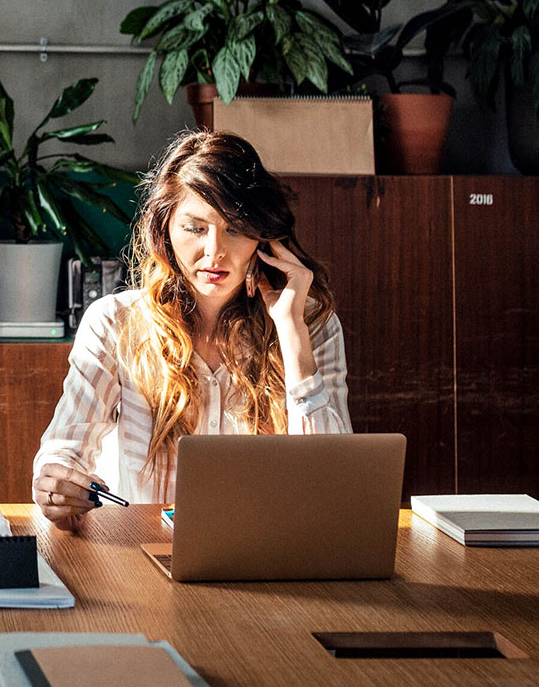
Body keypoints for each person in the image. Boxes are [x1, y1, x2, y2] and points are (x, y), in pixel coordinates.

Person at [32, 129, 349, 527]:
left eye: (235, 229)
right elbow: (63, 453)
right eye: (196, 228)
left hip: (268, 555)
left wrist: (290, 330)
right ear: (165, 230)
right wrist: (57, 487)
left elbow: (335, 485)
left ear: (264, 239)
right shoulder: (115, 323)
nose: (214, 250)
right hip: (144, 558)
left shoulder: (311, 325)